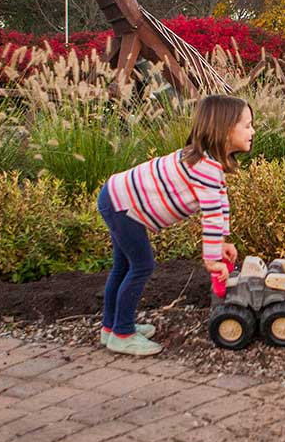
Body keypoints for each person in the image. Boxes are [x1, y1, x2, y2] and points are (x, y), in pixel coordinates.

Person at [97, 95, 253, 356]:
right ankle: (122, 333)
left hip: (116, 197)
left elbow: (219, 202)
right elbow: (211, 215)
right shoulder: (205, 167)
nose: (252, 131)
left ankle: (111, 327)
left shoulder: (206, 162)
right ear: (226, 131)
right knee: (141, 265)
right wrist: (212, 260)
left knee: (123, 266)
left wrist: (224, 240)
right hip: (124, 206)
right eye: (247, 125)